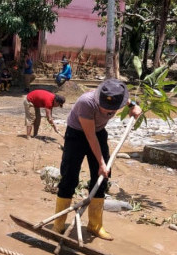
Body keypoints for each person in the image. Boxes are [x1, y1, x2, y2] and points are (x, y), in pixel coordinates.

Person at [53, 79, 141, 240]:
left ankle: (95, 226)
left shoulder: (117, 97)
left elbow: (128, 100)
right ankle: (58, 224)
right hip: (77, 134)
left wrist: (133, 106)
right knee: (69, 177)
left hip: (99, 133)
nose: (108, 111)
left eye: (112, 108)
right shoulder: (86, 102)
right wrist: (101, 163)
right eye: (105, 107)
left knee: (101, 178)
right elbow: (90, 136)